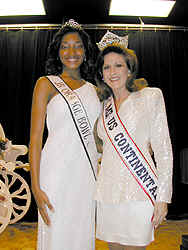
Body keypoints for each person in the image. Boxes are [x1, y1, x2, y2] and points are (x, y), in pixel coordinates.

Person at [94, 31, 173, 250]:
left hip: (139, 191)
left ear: (129, 69)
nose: (113, 72)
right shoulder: (102, 106)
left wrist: (163, 197)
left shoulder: (150, 97)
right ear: (101, 74)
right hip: (108, 194)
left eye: (118, 65)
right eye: (107, 67)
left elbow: (163, 149)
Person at [29, 19, 101, 250]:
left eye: (78, 45)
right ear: (57, 51)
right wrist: (35, 187)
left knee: (82, 236)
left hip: (86, 178)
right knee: (55, 237)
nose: (72, 52)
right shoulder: (46, 84)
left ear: (86, 52)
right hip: (55, 176)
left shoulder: (96, 90)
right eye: (65, 46)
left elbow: (98, 140)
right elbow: (35, 140)